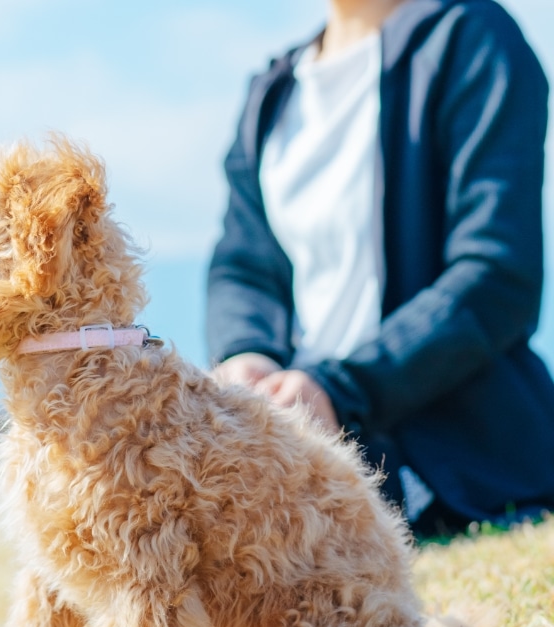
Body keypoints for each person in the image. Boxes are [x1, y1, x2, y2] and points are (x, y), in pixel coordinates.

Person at [206, 0, 554, 534]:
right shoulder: (272, 95)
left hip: (458, 472)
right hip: (304, 467)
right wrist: (248, 355)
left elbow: (496, 274)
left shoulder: (471, 38)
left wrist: (338, 391)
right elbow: (244, 265)